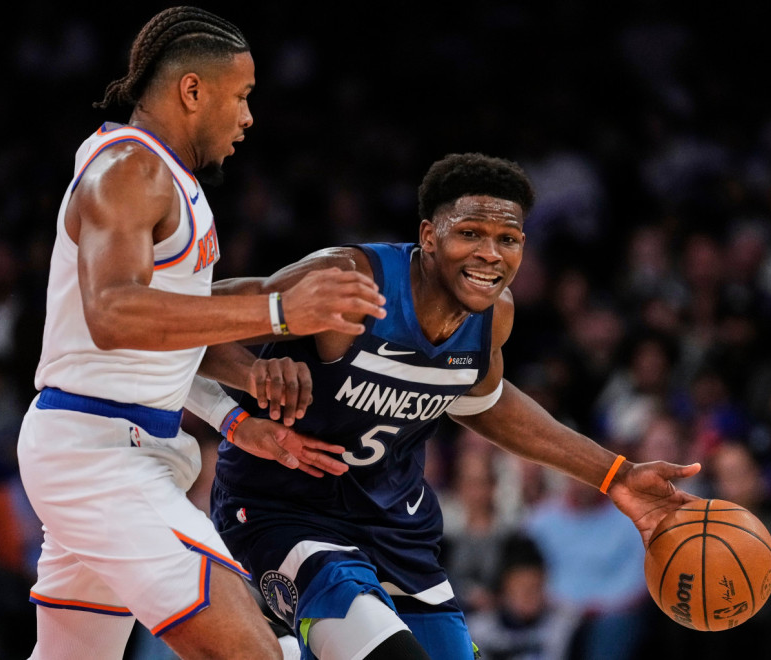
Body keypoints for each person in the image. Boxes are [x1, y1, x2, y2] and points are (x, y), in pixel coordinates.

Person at [203, 153, 702, 659]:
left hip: (393, 526)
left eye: (507, 240)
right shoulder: (351, 282)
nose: (490, 255)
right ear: (428, 236)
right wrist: (248, 378)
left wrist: (615, 474)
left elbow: (485, 403)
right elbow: (188, 320)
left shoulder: (494, 316)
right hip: (284, 512)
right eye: (470, 234)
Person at [15, 6, 387, 660]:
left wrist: (242, 404)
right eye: (241, 96)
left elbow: (168, 325)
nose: (248, 117)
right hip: (100, 455)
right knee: (252, 651)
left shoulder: (166, 177)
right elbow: (114, 314)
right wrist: (279, 313)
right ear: (192, 90)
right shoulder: (130, 170)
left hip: (110, 445)